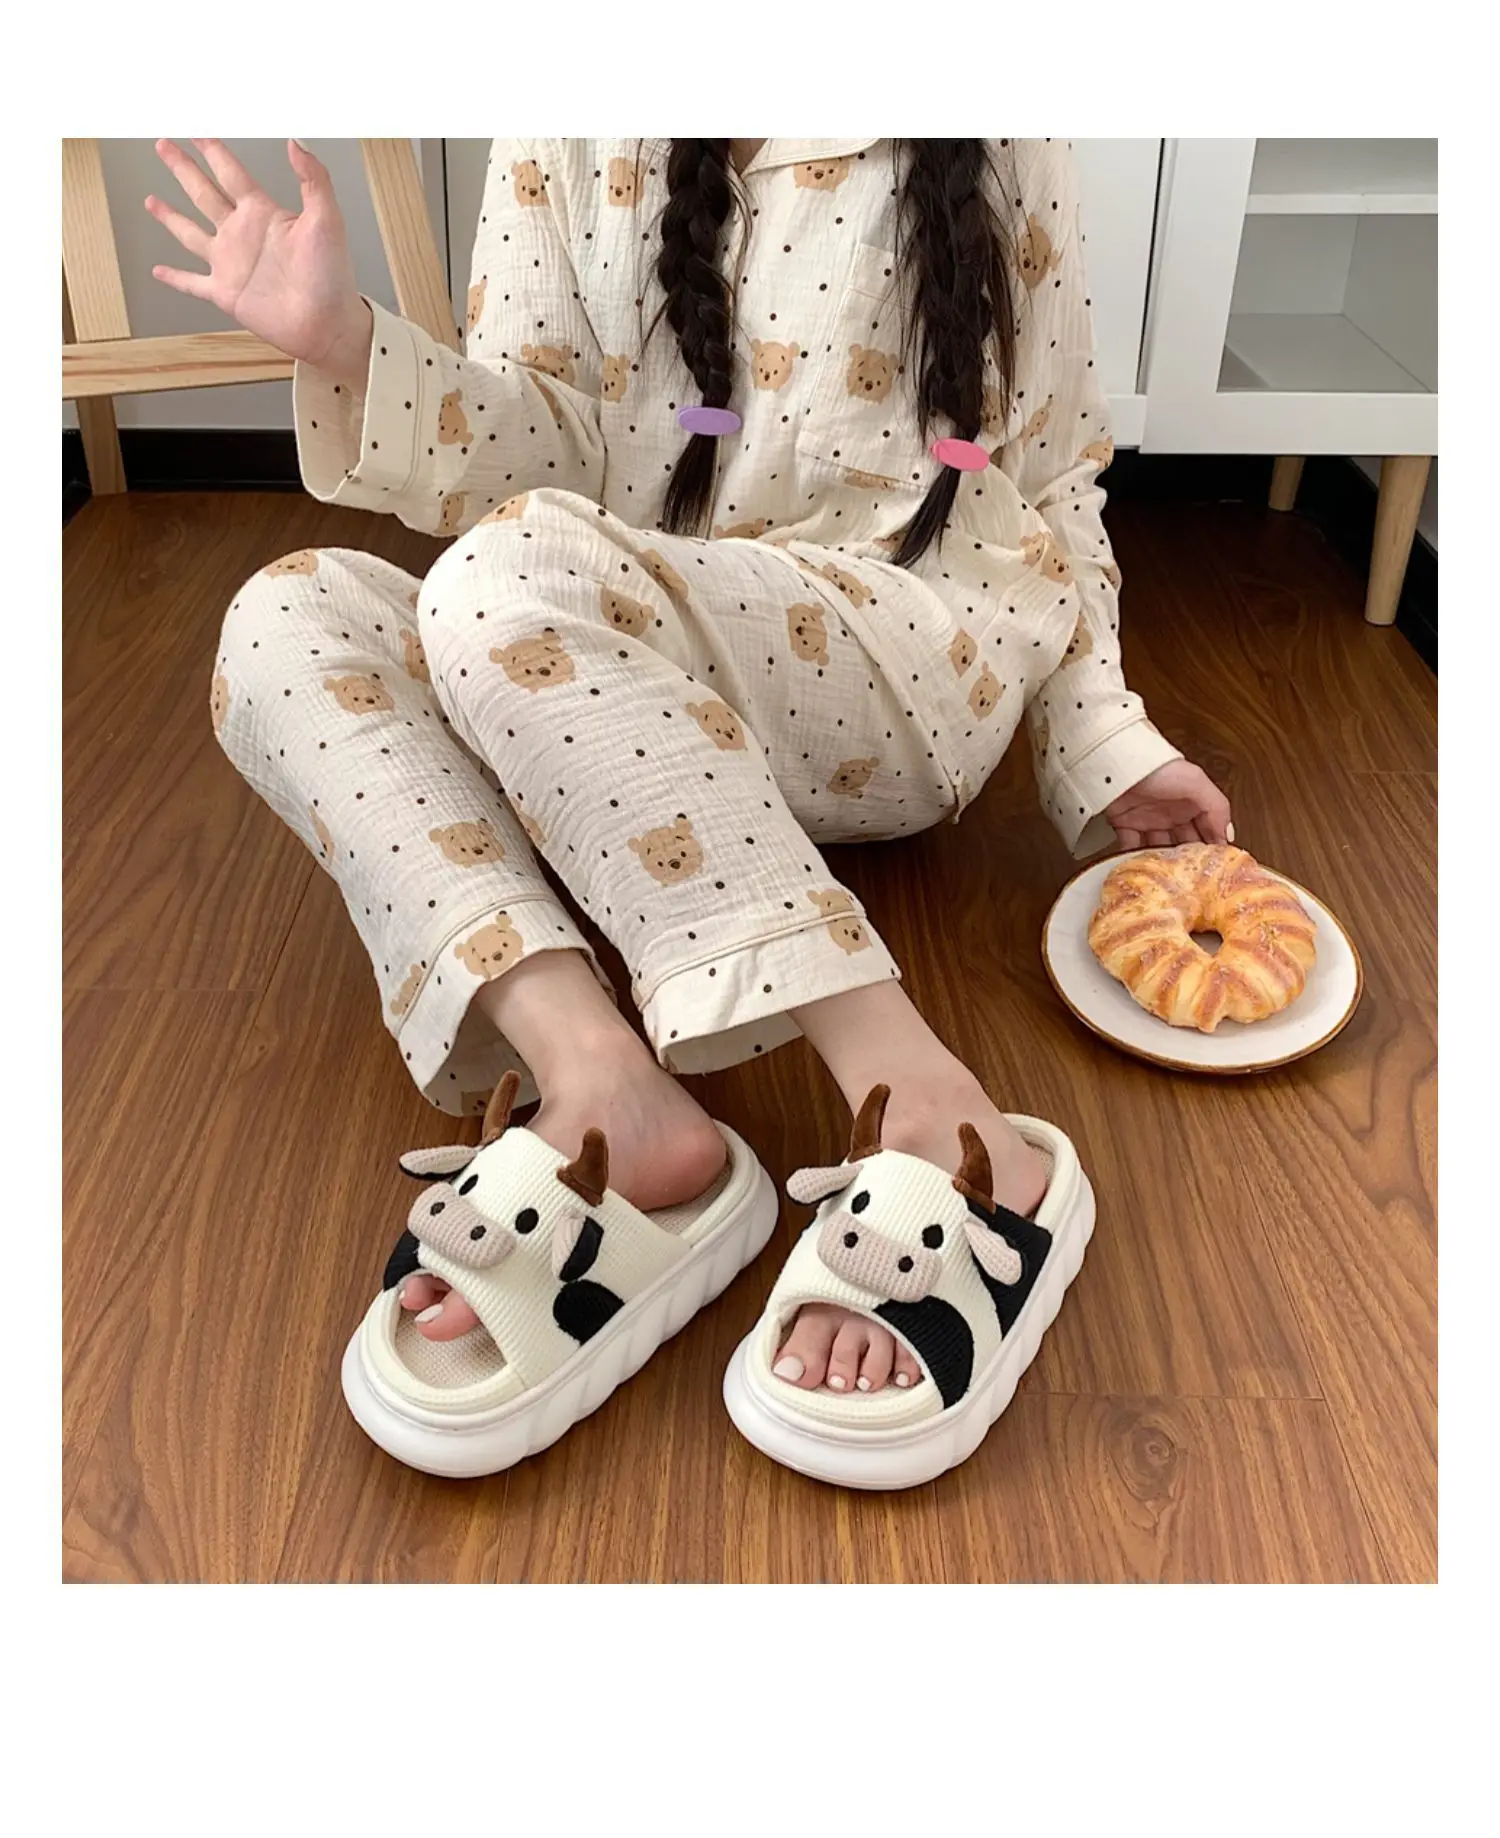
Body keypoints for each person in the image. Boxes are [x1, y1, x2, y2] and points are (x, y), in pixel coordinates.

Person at [150, 136, 1230, 1433]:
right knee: (287, 616)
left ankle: (925, 1098)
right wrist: (347, 344)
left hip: (895, 653)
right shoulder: (566, 118)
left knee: (502, 577)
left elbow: (1054, 475)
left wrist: (1103, 739)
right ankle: (603, 1082)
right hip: (618, 653)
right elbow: (544, 446)